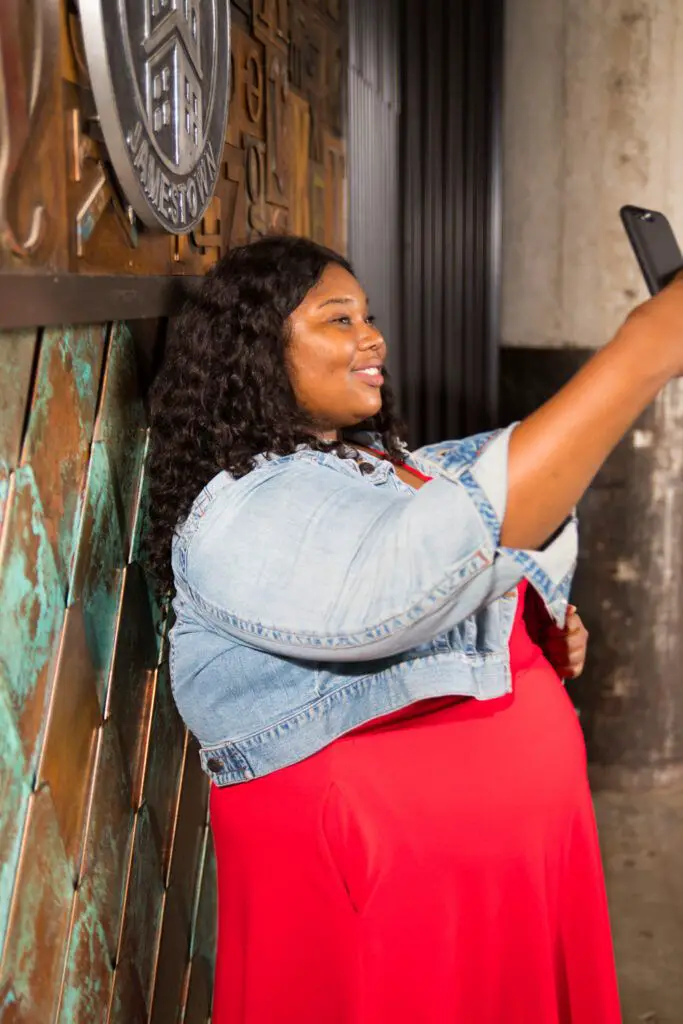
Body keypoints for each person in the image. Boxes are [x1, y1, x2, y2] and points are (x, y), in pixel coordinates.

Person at [147, 234, 683, 1023]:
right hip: (385, 898)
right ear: (253, 349)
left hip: (501, 879)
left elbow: (467, 560)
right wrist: (643, 350)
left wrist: (527, 631)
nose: (372, 339)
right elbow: (416, 568)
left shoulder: (378, 463)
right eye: (338, 321)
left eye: (368, 317)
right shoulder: (239, 506)